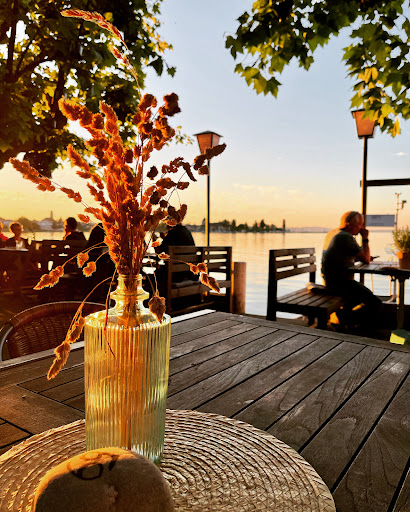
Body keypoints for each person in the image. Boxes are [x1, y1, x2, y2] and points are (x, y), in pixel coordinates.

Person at [322, 210, 382, 329]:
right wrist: (365, 238)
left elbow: (345, 255)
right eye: (360, 225)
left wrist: (361, 257)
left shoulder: (334, 233)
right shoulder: (345, 237)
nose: (361, 229)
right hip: (339, 283)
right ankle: (349, 321)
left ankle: (345, 319)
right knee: (376, 303)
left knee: (358, 298)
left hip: (330, 279)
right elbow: (366, 260)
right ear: (349, 225)